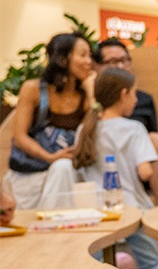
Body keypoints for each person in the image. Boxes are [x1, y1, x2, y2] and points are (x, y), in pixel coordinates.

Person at [73, 68, 158, 269]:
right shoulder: (134, 128)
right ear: (123, 94)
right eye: (134, 93)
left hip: (97, 212)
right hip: (132, 208)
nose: (136, 100)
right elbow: (145, 172)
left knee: (98, 267)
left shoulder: (85, 129)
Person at [7, 31, 94, 209]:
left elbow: (95, 131)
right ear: (62, 59)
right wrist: (50, 157)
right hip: (31, 171)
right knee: (62, 166)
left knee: (63, 167)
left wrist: (92, 91)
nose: (89, 62)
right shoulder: (33, 89)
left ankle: (55, 222)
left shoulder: (85, 95)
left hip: (67, 173)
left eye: (90, 55)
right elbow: (20, 137)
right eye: (83, 55)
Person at [94, 38, 158, 203]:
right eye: (113, 62)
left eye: (124, 60)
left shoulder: (144, 101)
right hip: (130, 193)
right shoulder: (135, 128)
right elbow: (146, 171)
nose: (121, 66)